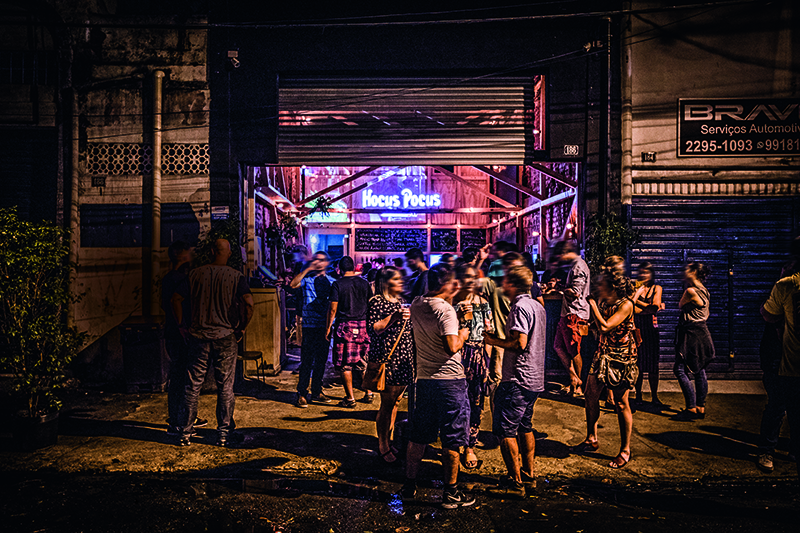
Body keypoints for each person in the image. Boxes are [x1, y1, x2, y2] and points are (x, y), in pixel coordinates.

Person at [402, 264, 475, 509]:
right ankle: (451, 493)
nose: (457, 286)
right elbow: (451, 346)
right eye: (453, 282)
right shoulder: (446, 312)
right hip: (450, 383)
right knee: (452, 439)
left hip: (425, 380)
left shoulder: (417, 304)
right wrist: (464, 328)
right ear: (445, 285)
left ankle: (409, 485)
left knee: (419, 435)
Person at [172, 238, 254, 447]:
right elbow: (248, 303)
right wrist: (242, 326)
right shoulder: (236, 276)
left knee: (192, 386)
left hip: (198, 337)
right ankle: (223, 434)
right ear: (227, 254)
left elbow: (176, 299)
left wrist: (182, 325)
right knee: (225, 387)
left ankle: (185, 433)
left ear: (210, 252)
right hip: (225, 336)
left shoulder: (195, 274)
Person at [484, 266, 547, 497]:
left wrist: (493, 340)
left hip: (517, 378)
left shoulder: (520, 307)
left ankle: (515, 482)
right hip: (535, 378)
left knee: (506, 430)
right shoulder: (538, 306)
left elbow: (520, 344)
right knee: (525, 426)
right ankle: (529, 475)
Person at [578, 258, 637, 468]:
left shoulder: (626, 305)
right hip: (602, 354)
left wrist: (592, 305)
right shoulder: (604, 302)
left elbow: (606, 327)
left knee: (621, 403)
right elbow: (597, 326)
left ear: (612, 287)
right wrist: (587, 325)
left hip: (621, 358)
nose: (597, 288)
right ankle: (592, 437)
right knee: (590, 394)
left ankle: (625, 449)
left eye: (601, 285)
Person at [367, 266, 416, 463]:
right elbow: (374, 329)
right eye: (397, 280)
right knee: (387, 404)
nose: (401, 283)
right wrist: (394, 317)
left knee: (396, 402)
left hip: (404, 357)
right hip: (388, 357)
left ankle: (390, 439)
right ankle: (383, 445)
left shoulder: (403, 302)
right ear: (386, 282)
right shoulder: (377, 302)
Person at [761, 240, 800, 478]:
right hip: (784, 361)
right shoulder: (786, 284)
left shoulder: (786, 284)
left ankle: (767, 450)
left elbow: (767, 314)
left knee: (777, 406)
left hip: (787, 364)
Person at [162, 241, 207, 435]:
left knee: (178, 376)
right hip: (180, 333)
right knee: (182, 377)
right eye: (189, 253)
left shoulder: (166, 278)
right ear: (182, 256)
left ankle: (181, 417)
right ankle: (179, 421)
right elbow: (175, 301)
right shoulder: (182, 279)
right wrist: (182, 326)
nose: (192, 256)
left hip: (171, 331)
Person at [453, 263, 493, 470]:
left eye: (473, 277)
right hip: (457, 356)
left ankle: (470, 445)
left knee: (476, 403)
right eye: (466, 277)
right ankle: (453, 445)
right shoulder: (452, 303)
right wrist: (459, 315)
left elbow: (490, 334)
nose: (470, 281)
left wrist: (490, 362)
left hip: (478, 356)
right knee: (456, 403)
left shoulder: (484, 303)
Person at [290, 251, 337, 407]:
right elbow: (292, 284)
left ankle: (316, 391)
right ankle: (302, 393)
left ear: (327, 263)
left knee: (321, 361)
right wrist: (306, 269)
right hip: (309, 325)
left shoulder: (332, 282)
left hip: (324, 326)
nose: (318, 262)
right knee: (306, 361)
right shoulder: (307, 279)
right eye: (315, 259)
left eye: (321, 260)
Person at [326, 256, 372, 408]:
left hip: (345, 327)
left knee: (345, 364)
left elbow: (333, 309)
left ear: (339, 268)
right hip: (363, 326)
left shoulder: (337, 284)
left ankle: (350, 398)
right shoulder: (365, 284)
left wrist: (327, 328)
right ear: (354, 267)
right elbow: (370, 305)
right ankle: (369, 393)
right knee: (363, 361)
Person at [673, 261, 714, 421]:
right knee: (699, 369)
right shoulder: (705, 291)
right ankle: (700, 407)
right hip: (702, 331)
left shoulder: (690, 291)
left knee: (679, 369)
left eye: (688, 269)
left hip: (691, 333)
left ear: (694, 272)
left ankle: (691, 406)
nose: (684, 271)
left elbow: (680, 305)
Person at [552, 240, 591, 397]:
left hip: (575, 314)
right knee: (558, 346)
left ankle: (578, 385)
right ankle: (574, 378)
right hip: (568, 313)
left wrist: (560, 288)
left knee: (574, 350)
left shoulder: (578, 266)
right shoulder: (576, 266)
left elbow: (575, 292)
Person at [632, 262, 664, 406]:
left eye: (646, 272)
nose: (643, 275)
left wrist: (638, 302)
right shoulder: (634, 288)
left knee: (653, 365)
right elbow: (630, 306)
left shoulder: (657, 288)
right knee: (637, 363)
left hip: (651, 329)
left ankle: (654, 396)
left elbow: (654, 308)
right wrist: (643, 303)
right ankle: (638, 395)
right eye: (641, 272)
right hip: (637, 328)